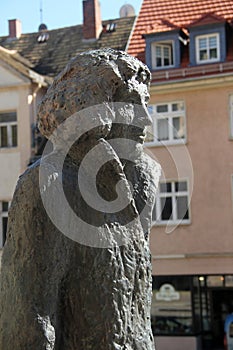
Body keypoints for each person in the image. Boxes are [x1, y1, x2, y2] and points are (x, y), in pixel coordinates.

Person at [0, 48, 160, 349]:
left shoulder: (144, 181)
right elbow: (29, 320)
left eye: (147, 104)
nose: (147, 121)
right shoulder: (49, 183)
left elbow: (140, 305)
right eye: (133, 105)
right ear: (96, 108)